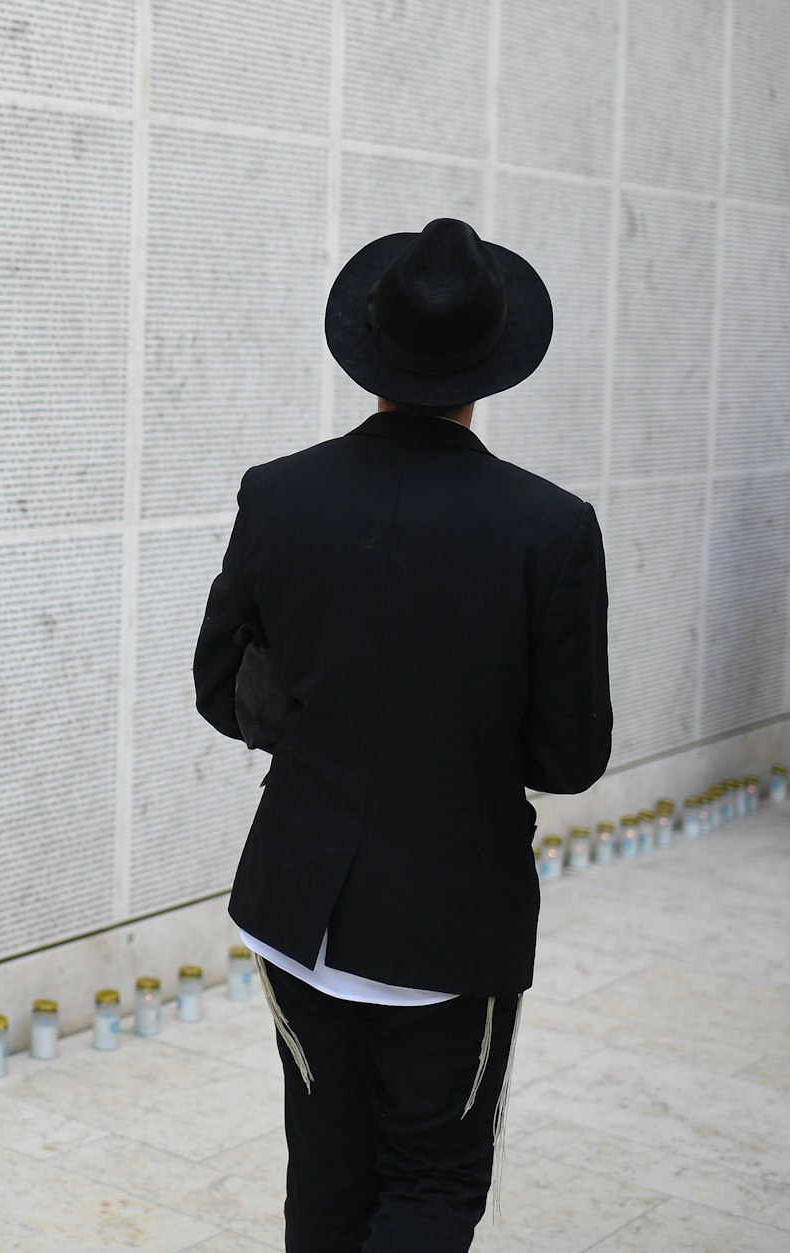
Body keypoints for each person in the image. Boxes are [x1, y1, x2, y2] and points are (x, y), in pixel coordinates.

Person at [192, 217, 612, 1251]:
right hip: (445, 920)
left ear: (368, 351)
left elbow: (218, 686)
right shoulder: (547, 528)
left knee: (326, 1178)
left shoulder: (279, 492)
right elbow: (569, 754)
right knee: (428, 1183)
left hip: (299, 904)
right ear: (488, 369)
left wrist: (328, 723)